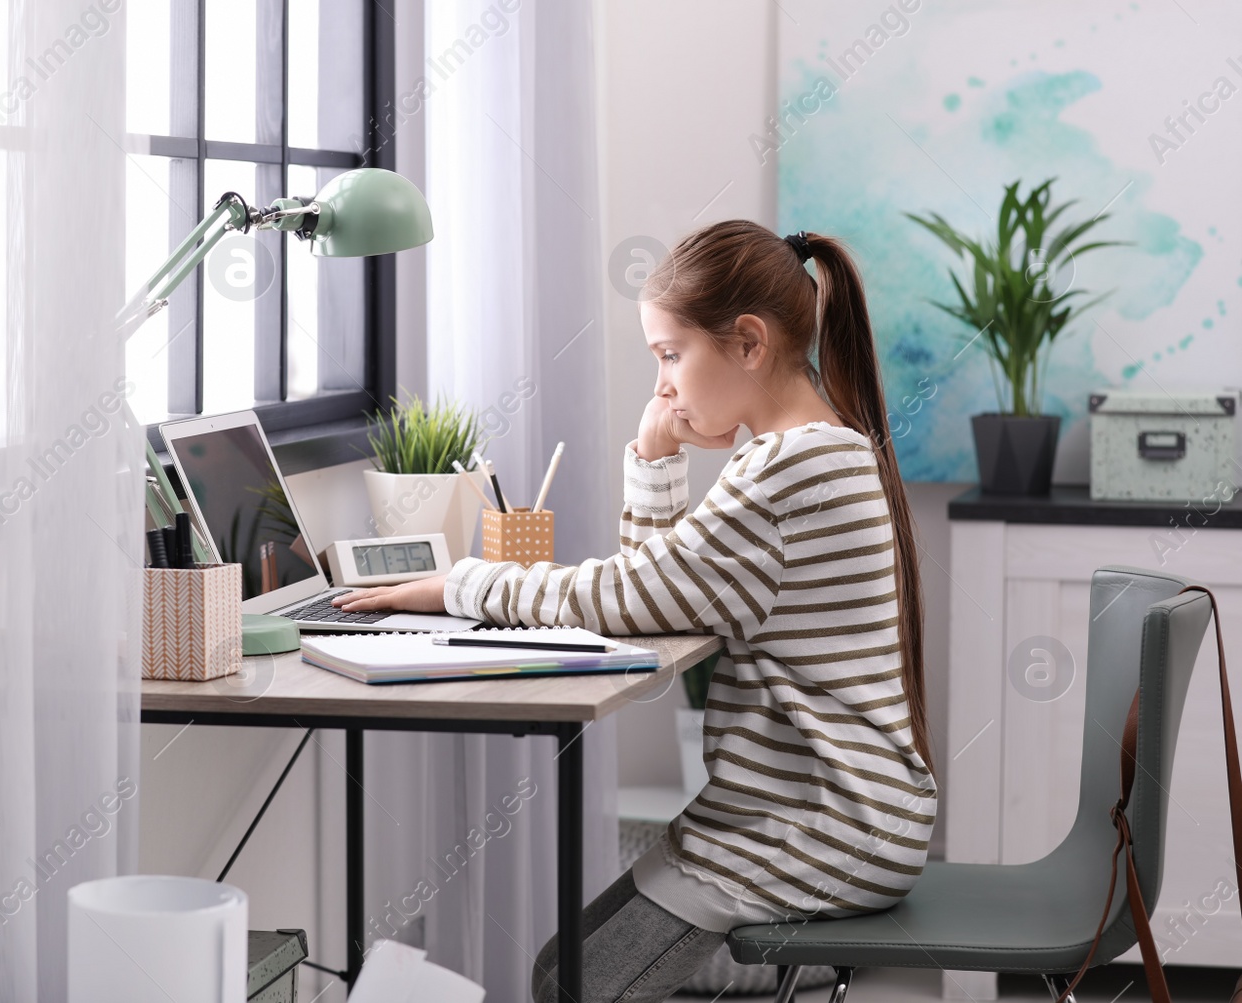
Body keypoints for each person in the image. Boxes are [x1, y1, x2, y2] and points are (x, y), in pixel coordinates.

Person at [331, 220, 939, 1003]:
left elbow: (627, 597)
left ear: (748, 343)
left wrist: (457, 583)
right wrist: (656, 464)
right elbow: (667, 596)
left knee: (571, 986)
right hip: (814, 813)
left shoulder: (789, 470)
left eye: (670, 354)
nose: (664, 386)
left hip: (814, 828)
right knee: (561, 970)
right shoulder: (818, 450)